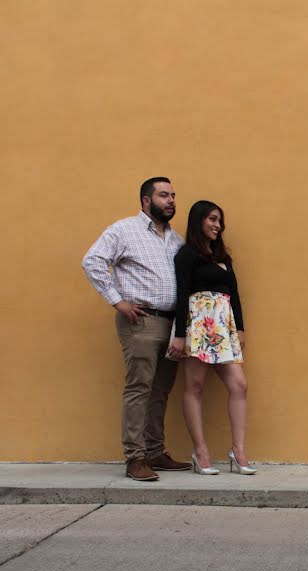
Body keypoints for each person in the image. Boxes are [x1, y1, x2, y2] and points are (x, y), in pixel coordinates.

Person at [82, 177, 191, 481]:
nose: (170, 200)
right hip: (139, 321)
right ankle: (135, 458)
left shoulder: (176, 240)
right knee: (139, 388)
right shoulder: (124, 230)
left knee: (160, 391)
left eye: (173, 196)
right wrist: (118, 302)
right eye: (163, 195)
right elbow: (92, 261)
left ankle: (155, 451)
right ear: (146, 200)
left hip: (171, 325)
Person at [168, 200, 255, 475]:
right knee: (194, 386)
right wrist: (180, 336)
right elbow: (182, 295)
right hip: (198, 324)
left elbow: (235, 295)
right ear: (199, 220)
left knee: (239, 386)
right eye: (213, 219)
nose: (217, 225)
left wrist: (239, 329)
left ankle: (238, 450)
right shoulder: (186, 255)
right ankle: (201, 451)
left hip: (223, 327)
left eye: (220, 221)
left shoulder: (223, 257)